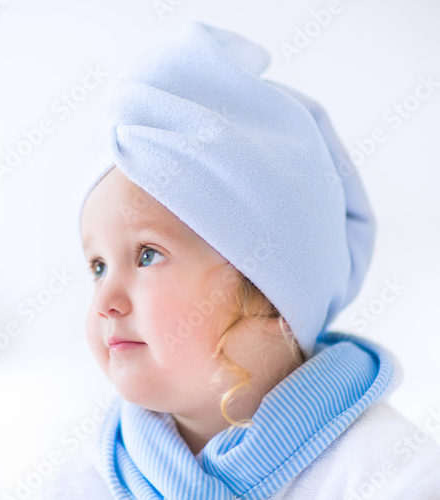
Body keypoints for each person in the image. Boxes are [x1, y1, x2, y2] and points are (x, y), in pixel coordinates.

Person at [37, 20, 440, 499]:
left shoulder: (387, 472)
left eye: (147, 255)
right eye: (97, 266)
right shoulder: (93, 477)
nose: (105, 299)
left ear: (268, 294)